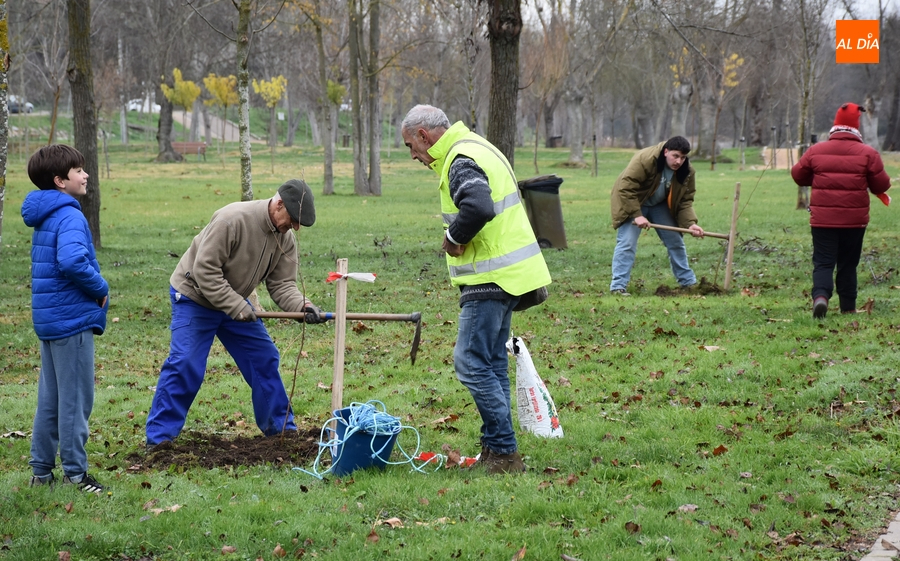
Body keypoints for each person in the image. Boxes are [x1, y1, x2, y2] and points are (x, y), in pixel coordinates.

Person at [400, 104, 552, 475]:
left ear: (423, 135)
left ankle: (502, 450)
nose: (413, 155)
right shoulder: (478, 146)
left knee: (469, 362)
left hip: (491, 277)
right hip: (511, 275)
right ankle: (499, 449)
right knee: (491, 362)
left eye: (410, 146)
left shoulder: (460, 158)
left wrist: (453, 238)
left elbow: (479, 206)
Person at [146, 179, 326, 447]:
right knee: (185, 363)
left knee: (264, 358)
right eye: (294, 219)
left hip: (234, 302)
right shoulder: (231, 220)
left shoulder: (284, 238)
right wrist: (236, 305)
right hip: (195, 297)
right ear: (278, 204)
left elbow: (282, 284)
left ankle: (281, 431)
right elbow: (204, 272)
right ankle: (160, 440)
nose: (296, 228)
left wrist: (304, 305)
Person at [22, 144, 109, 493]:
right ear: (60, 181)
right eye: (77, 171)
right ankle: (76, 473)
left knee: (51, 399)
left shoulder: (46, 214)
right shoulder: (70, 215)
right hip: (70, 320)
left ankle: (41, 473)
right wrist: (100, 287)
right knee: (75, 400)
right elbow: (72, 261)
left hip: (49, 319)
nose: (85, 175)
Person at [791, 103, 891, 319]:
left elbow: (798, 175)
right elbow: (881, 185)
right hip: (854, 221)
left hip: (822, 220)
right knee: (848, 263)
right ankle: (847, 307)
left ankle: (820, 298)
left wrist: (817, 179)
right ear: (856, 127)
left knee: (824, 262)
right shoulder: (868, 153)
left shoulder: (816, 151)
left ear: (835, 126)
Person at [609, 136, 705, 295]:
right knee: (627, 243)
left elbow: (684, 200)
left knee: (675, 241)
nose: (678, 161)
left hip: (658, 205)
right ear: (666, 151)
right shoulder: (645, 159)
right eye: (675, 156)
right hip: (634, 202)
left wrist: (690, 223)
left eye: (683, 157)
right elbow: (625, 189)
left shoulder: (686, 171)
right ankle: (618, 286)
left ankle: (688, 283)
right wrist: (637, 215)